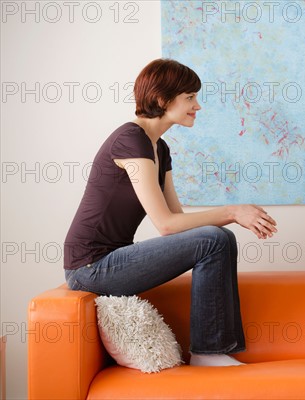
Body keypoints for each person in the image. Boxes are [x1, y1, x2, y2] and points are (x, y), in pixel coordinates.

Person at [63, 58, 278, 367]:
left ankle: (215, 351)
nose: (197, 106)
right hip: (90, 267)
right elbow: (166, 224)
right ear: (163, 100)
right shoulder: (130, 139)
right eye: (190, 97)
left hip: (111, 260)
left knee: (219, 237)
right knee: (214, 238)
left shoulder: (159, 148)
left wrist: (233, 214)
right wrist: (232, 210)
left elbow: (179, 220)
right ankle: (208, 352)